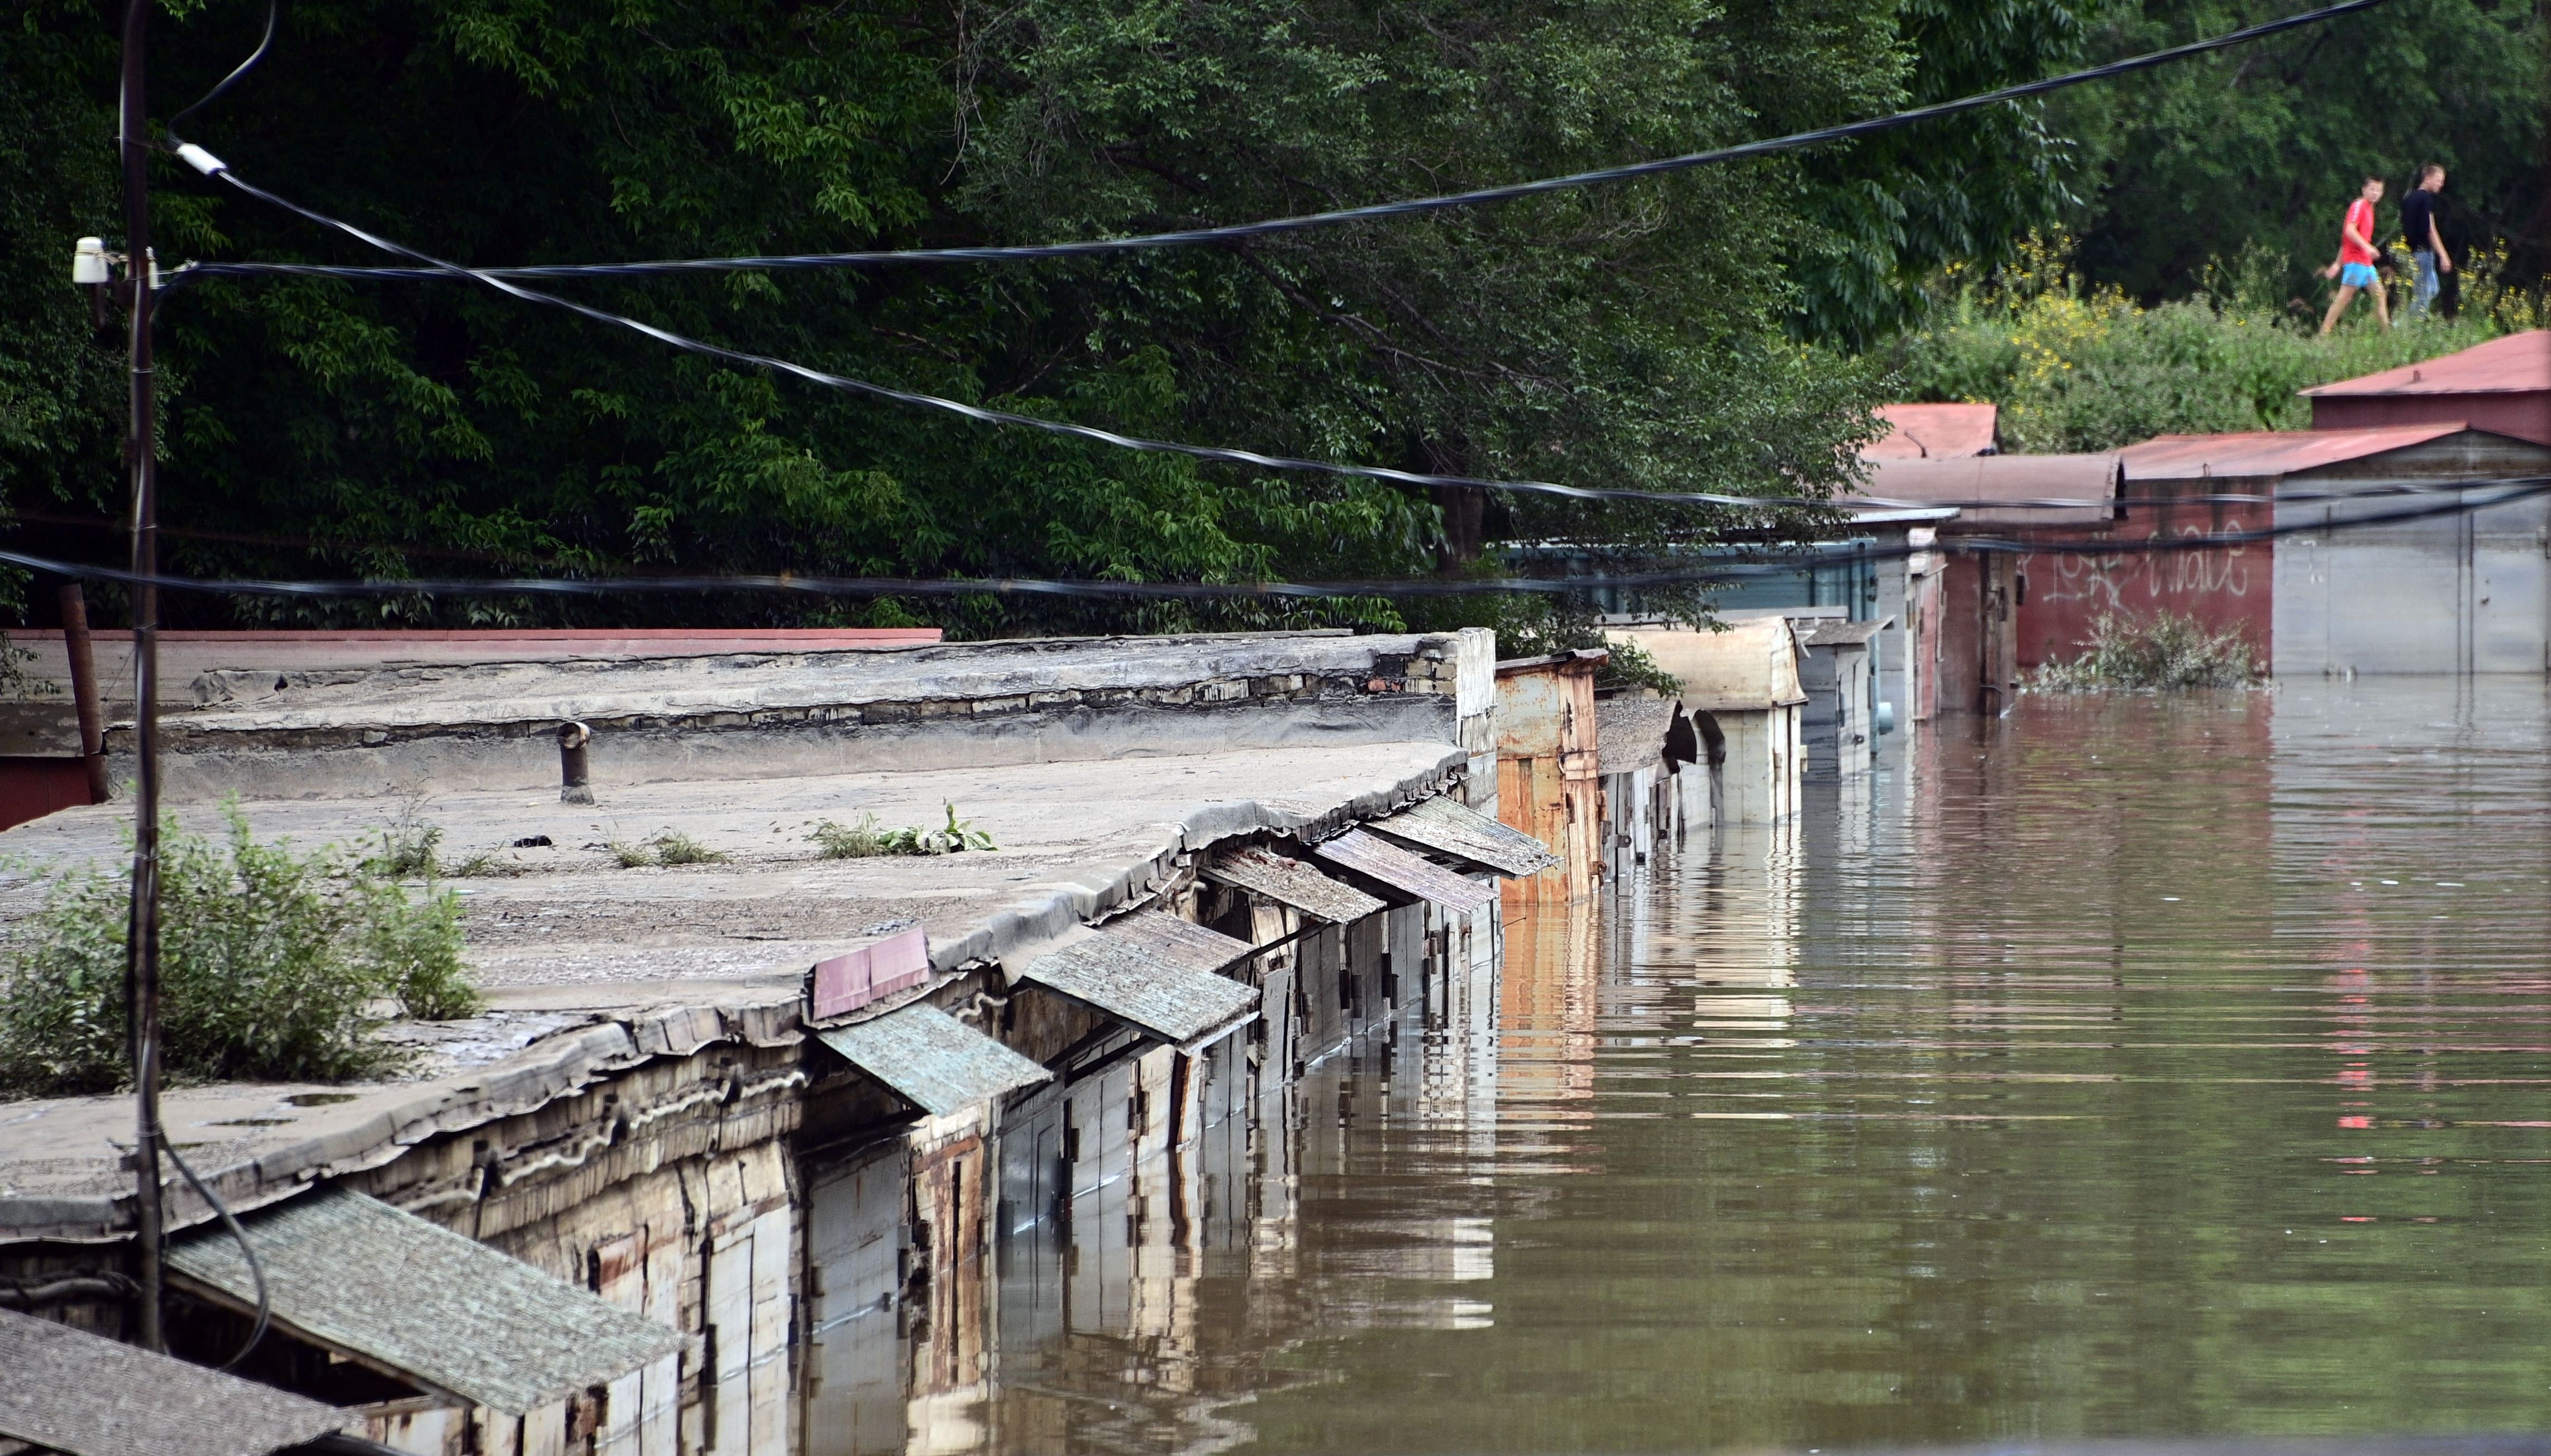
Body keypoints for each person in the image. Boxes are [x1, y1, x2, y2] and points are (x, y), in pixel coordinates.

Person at [2319, 175, 2390, 335]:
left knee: (2380, 295)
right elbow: (2349, 231)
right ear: (2364, 189)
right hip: (2356, 262)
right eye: (2372, 189)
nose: (2375, 193)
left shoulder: (2370, 210)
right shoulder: (2359, 206)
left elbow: (2348, 239)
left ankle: (2387, 335)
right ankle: (2323, 335)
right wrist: (2367, 247)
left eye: (2379, 190)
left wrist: (2338, 263)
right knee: (2344, 298)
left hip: (2365, 263)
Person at [2401, 164, 2452, 318]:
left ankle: (2407, 320)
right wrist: (2443, 255)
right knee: (2423, 294)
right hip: (2423, 253)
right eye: (2438, 180)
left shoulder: (2409, 197)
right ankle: (2408, 326)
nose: (2441, 184)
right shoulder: (2425, 199)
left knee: (2433, 289)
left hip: (2411, 251)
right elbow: (2430, 229)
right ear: (2427, 178)